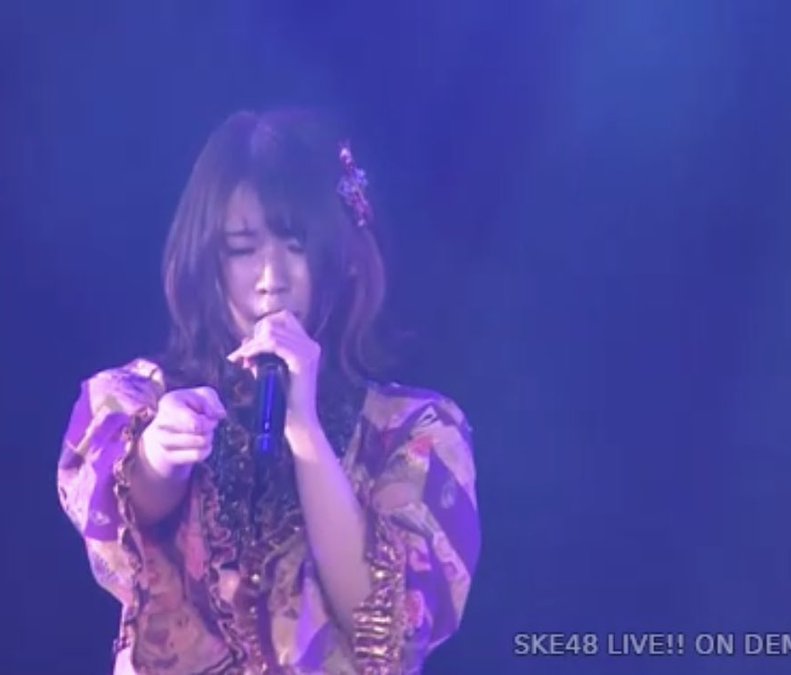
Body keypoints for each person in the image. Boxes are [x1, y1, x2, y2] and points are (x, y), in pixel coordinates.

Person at [57, 108, 480, 674]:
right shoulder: (141, 400)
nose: (271, 277)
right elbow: (122, 511)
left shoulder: (412, 431)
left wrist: (304, 428)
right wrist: (157, 454)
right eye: (242, 248)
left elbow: (385, 628)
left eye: (296, 245)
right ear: (205, 259)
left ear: (345, 261)